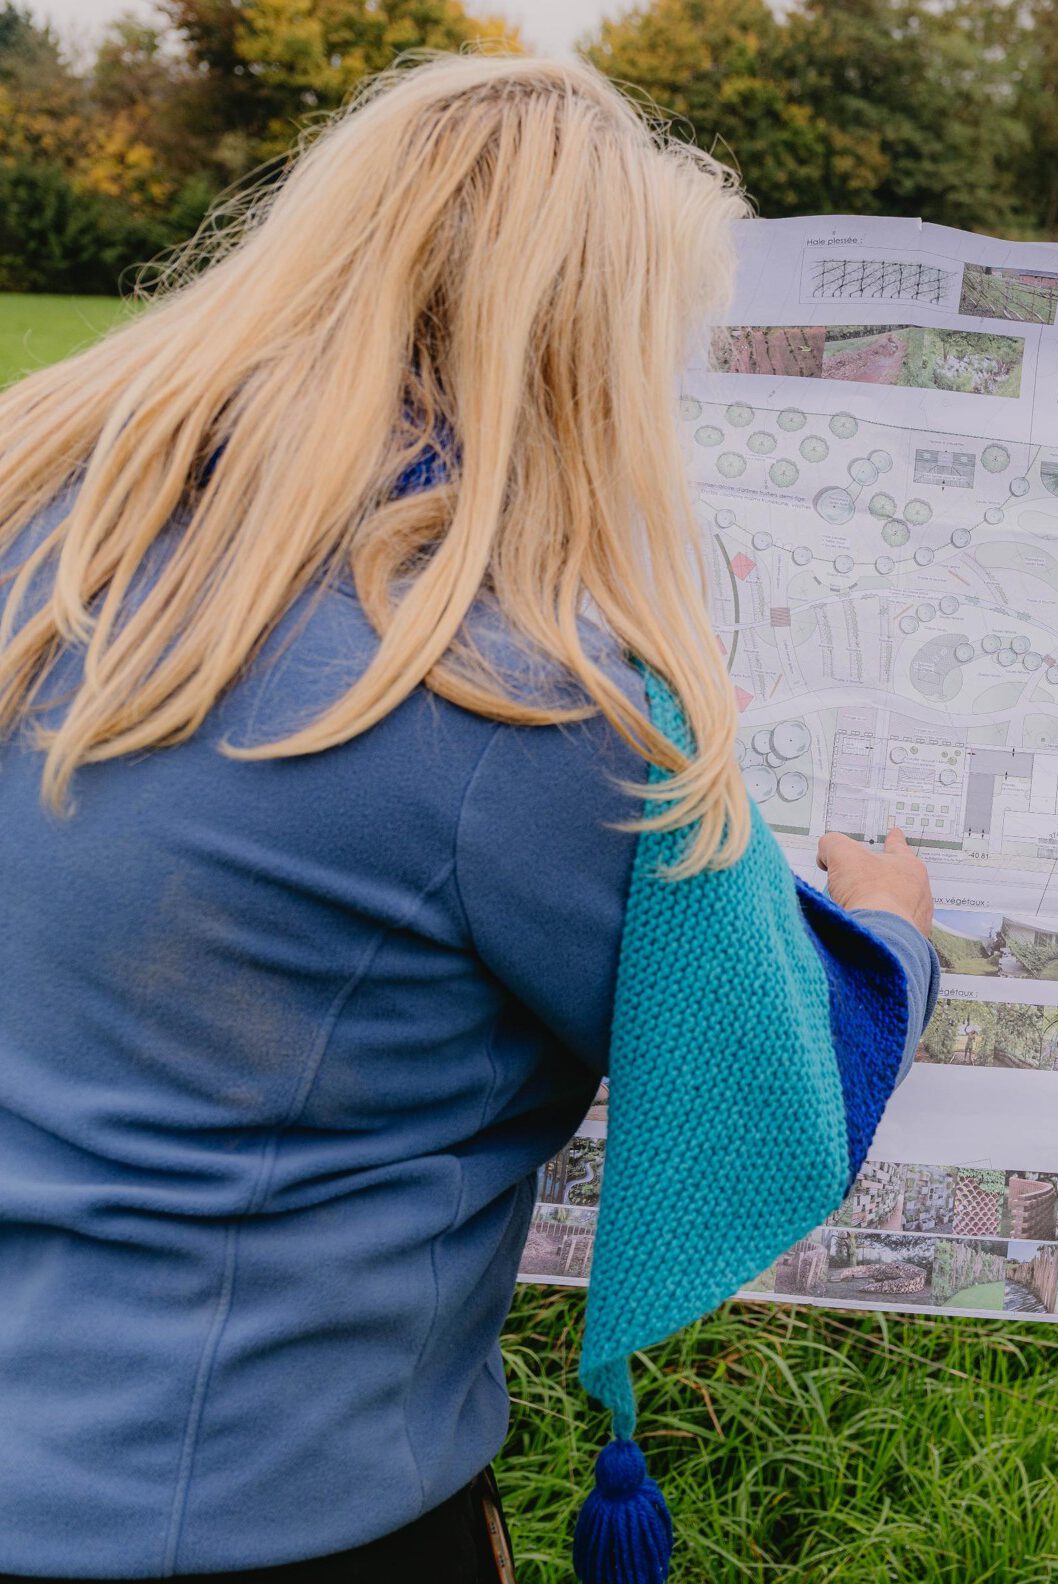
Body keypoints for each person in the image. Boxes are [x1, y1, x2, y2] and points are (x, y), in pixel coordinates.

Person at [0, 55, 936, 1581]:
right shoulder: (522, 696)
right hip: (258, 1511)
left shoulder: (50, 535)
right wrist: (890, 926)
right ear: (589, 345)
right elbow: (767, 1088)